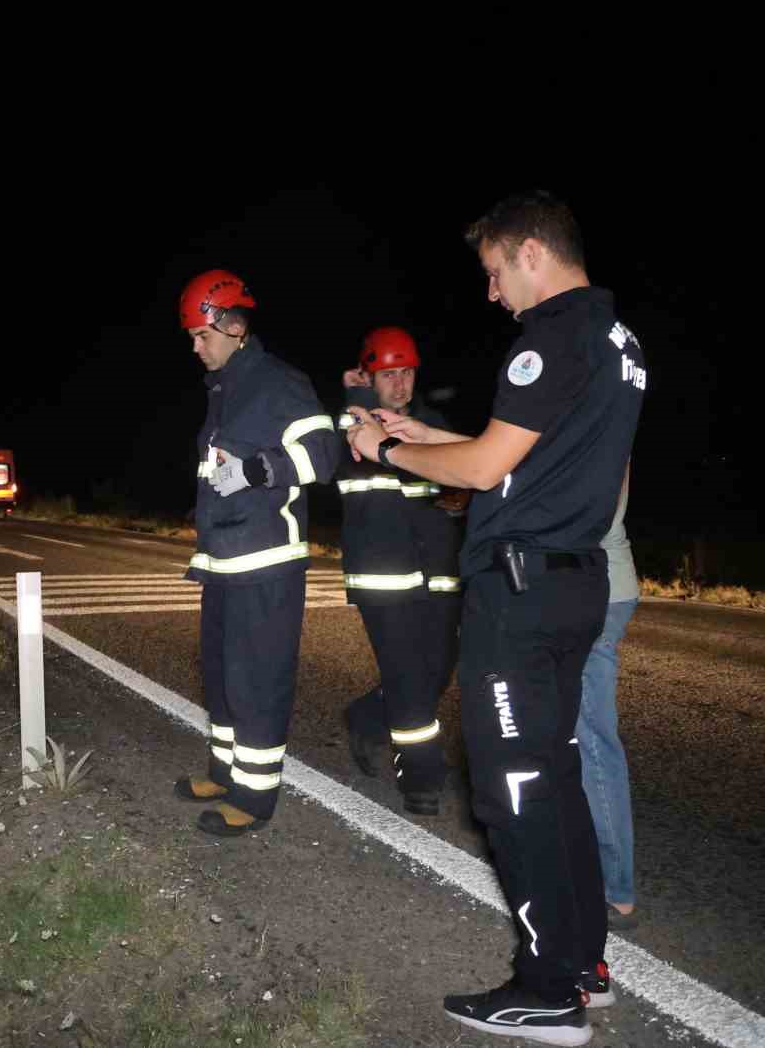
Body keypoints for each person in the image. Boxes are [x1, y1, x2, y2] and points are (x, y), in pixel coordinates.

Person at [344, 190, 645, 1045]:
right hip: (576, 579)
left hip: (520, 597)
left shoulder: (549, 337)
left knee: (514, 792)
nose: (490, 293)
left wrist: (388, 446)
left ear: (528, 253)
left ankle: (548, 994)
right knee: (554, 781)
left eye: (492, 272)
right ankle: (585, 967)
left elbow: (483, 469)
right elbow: (529, 457)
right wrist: (430, 437)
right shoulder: (619, 343)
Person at [172, 269, 342, 836]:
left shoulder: (277, 382)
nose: (196, 348)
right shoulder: (224, 390)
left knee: (257, 680)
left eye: (202, 335)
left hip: (266, 565)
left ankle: (255, 797)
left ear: (233, 325)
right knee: (221, 678)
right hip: (223, 563)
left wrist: (259, 470)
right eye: (193, 338)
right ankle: (225, 771)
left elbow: (324, 452)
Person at [334, 327, 467, 815]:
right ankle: (421, 777)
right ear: (370, 376)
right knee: (409, 674)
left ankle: (367, 718)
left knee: (437, 671)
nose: (401, 383)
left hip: (439, 573)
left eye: (407, 372)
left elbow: (454, 480)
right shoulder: (349, 423)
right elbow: (336, 454)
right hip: (383, 579)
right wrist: (356, 401)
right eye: (389, 374)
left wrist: (456, 500)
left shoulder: (429, 424)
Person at [579, 470, 639, 937]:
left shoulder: (590, 404)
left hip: (592, 587)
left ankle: (615, 886)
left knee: (593, 738)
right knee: (575, 732)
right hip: (601, 582)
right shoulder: (610, 401)